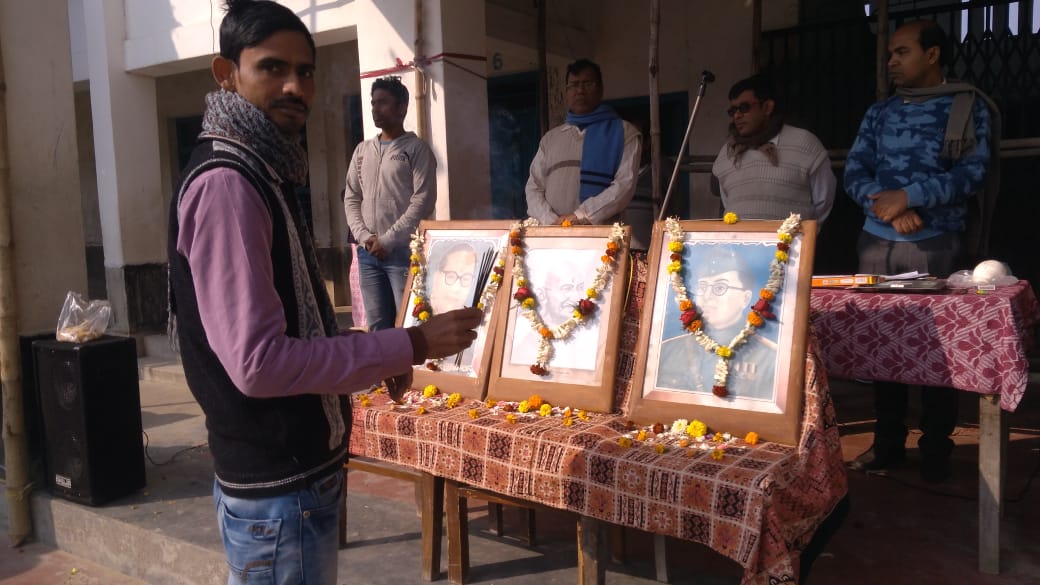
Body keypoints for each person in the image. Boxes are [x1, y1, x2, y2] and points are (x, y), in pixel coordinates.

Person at [166, 2, 481, 584]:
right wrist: (409, 344)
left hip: (289, 479)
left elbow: (290, 322)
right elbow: (259, 363)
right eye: (272, 68)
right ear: (226, 73)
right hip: (277, 486)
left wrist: (371, 347)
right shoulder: (229, 182)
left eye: (305, 71)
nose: (295, 86)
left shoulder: (267, 166)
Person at [844, 20, 999, 483]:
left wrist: (910, 196)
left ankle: (935, 448)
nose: (892, 61)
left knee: (938, 350)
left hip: (937, 244)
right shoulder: (880, 113)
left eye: (903, 52)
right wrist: (889, 208)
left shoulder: (967, 106)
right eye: (891, 53)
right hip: (878, 242)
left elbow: (972, 174)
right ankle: (887, 443)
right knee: (882, 347)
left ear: (932, 55)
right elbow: (854, 171)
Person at [344, 76, 437, 331]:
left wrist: (388, 240)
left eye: (383, 103)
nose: (376, 109)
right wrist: (365, 237)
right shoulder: (362, 150)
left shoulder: (416, 150)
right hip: (368, 254)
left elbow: (423, 200)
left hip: (403, 252)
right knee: (378, 328)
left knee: (410, 324)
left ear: (402, 108)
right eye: (373, 103)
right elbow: (352, 197)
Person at [525, 59, 641, 226]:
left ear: (600, 89)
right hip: (553, 232)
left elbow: (624, 186)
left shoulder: (624, 133)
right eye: (574, 85)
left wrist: (580, 216)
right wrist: (551, 220)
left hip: (602, 236)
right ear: (566, 92)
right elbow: (534, 187)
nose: (580, 91)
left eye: (588, 84)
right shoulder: (550, 139)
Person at [656, 246, 778, 401]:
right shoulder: (667, 351)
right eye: (702, 287)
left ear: (745, 299)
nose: (707, 296)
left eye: (720, 288)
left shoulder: (770, 358)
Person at [712, 74, 835, 225]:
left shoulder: (805, 144)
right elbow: (728, 202)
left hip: (790, 239)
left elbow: (823, 201)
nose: (737, 116)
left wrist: (799, 233)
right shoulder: (728, 152)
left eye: (744, 108)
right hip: (737, 240)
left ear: (767, 107)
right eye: (733, 111)